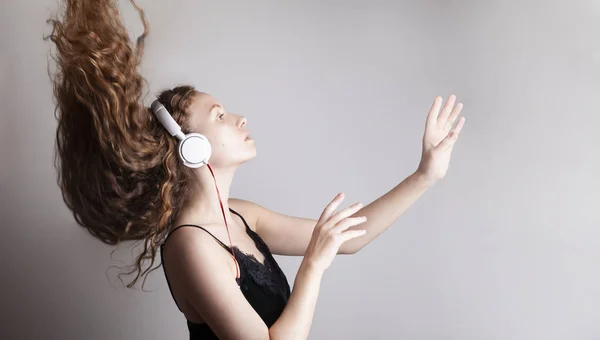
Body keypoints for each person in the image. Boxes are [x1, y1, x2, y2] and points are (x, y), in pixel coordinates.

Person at [46, 0, 466, 339]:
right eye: (220, 114)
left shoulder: (242, 215)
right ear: (192, 148)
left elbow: (351, 239)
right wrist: (313, 267)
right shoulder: (189, 248)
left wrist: (425, 174)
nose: (239, 118)